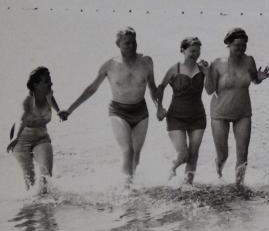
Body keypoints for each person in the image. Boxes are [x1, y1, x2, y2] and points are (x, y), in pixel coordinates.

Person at [59, 27, 160, 185]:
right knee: (128, 149)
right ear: (118, 44)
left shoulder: (146, 61)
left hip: (141, 111)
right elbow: (91, 89)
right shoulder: (109, 65)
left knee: (136, 155)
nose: (132, 46)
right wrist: (70, 110)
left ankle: (131, 183)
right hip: (118, 111)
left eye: (134, 42)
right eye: (127, 43)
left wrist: (159, 107)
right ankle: (125, 189)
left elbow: (153, 87)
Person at [205, 27, 269, 187]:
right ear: (228, 44)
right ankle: (218, 177)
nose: (241, 49)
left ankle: (239, 186)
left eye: (244, 46)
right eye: (237, 46)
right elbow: (209, 90)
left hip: (243, 113)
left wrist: (259, 79)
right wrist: (207, 73)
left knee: (243, 154)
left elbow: (254, 79)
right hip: (220, 114)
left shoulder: (249, 61)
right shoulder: (218, 63)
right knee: (223, 155)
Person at [156, 36, 209, 185]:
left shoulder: (202, 68)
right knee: (183, 155)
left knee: (193, 155)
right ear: (182, 50)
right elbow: (160, 88)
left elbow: (212, 88)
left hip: (198, 117)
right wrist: (159, 108)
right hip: (176, 117)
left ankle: (188, 186)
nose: (196, 54)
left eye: (198, 51)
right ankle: (170, 170)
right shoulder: (175, 68)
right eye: (192, 51)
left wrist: (207, 72)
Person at [7, 67, 62, 194]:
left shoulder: (48, 92)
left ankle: (46, 209)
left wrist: (58, 111)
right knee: (30, 183)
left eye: (50, 80)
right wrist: (15, 138)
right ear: (35, 85)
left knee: (46, 177)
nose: (51, 83)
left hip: (42, 137)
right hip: (20, 140)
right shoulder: (27, 102)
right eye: (46, 81)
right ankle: (31, 210)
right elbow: (21, 120)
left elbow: (51, 98)